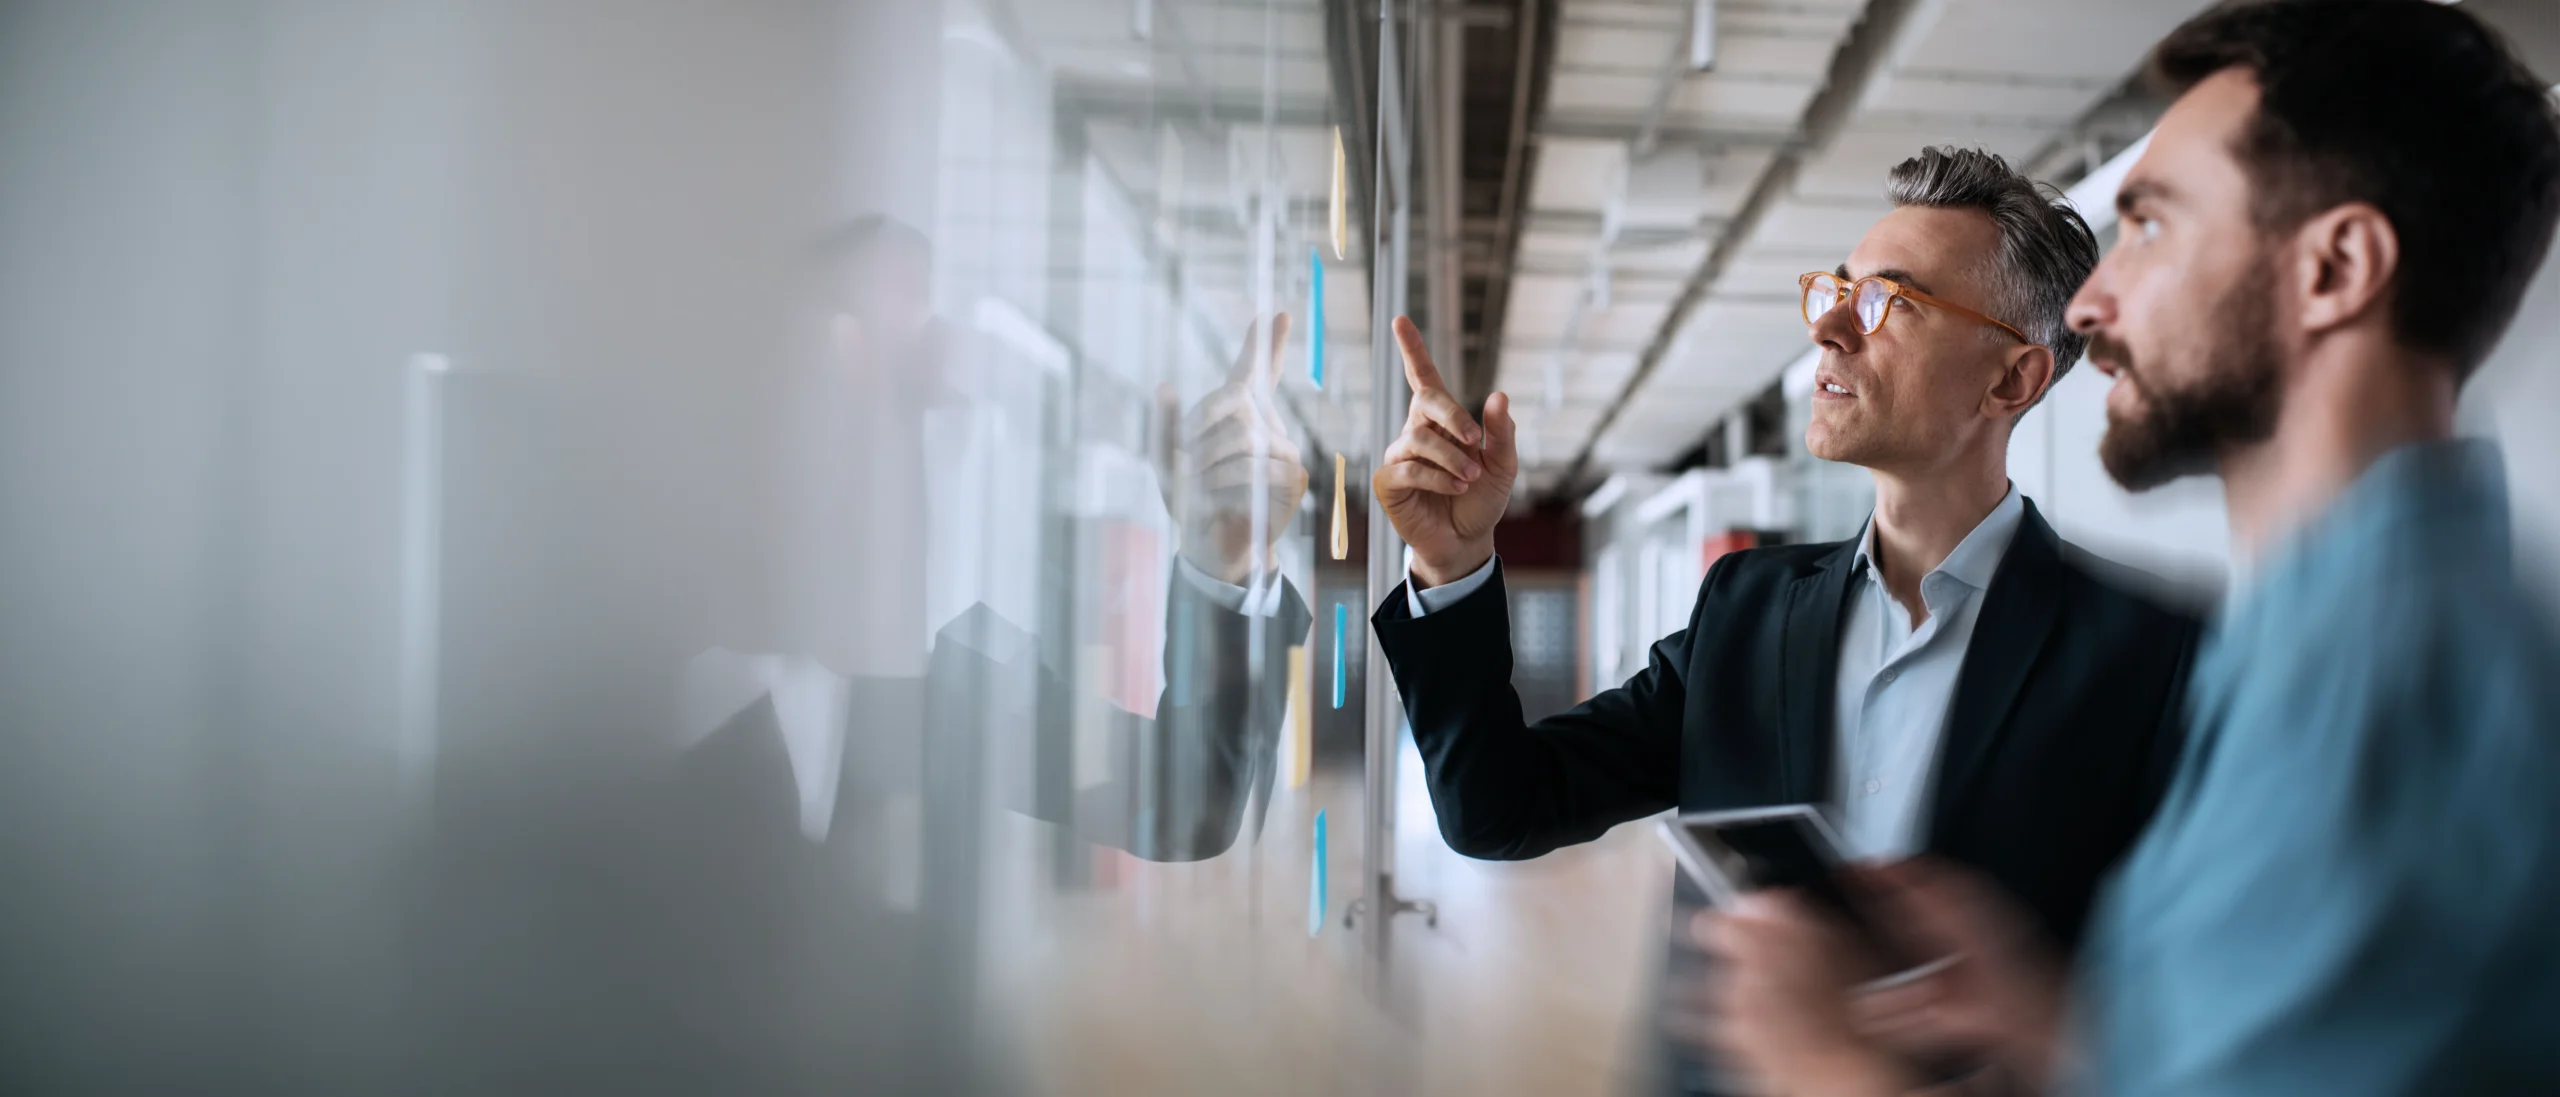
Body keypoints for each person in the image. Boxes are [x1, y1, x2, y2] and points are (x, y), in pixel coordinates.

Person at [1699, 2, 2560, 1094]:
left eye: (2149, 226)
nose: (2094, 301)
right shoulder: (2323, 627)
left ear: (2334, 267)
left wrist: (1820, 1063)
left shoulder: (2382, 685)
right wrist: (2055, 1017)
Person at [1369, 148, 2202, 1093]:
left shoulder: (2149, 653)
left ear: (2011, 380)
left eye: (1891, 302)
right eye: (1834, 291)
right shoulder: (1747, 607)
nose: (1831, 327)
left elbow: (2204, 1002)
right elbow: (1498, 808)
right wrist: (1450, 563)